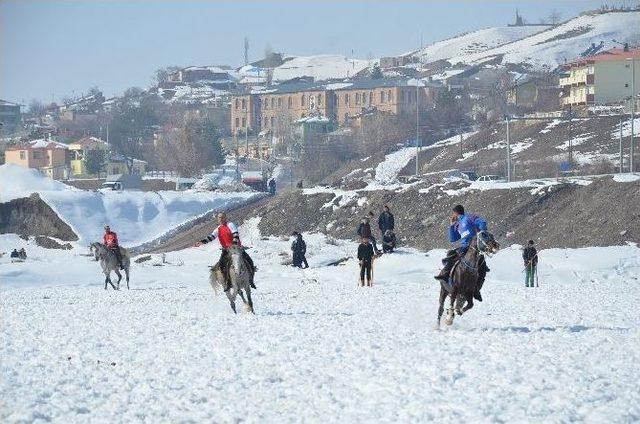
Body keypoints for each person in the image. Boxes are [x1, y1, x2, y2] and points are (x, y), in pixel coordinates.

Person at [434, 204, 490, 301]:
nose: (453, 215)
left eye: (453, 213)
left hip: (475, 246)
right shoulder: (457, 224)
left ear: (455, 213)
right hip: (464, 246)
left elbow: (482, 222)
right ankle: (445, 276)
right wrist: (452, 226)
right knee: (450, 255)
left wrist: (482, 231)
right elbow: (453, 239)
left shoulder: (469, 217)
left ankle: (476, 290)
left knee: (483, 266)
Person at [196, 212, 256, 291]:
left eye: (222, 217)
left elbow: (235, 235)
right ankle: (228, 282)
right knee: (221, 265)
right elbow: (212, 236)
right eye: (219, 218)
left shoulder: (230, 225)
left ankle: (251, 280)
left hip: (236, 249)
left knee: (249, 261)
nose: (220, 219)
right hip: (226, 250)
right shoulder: (218, 228)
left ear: (225, 218)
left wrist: (234, 245)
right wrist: (202, 242)